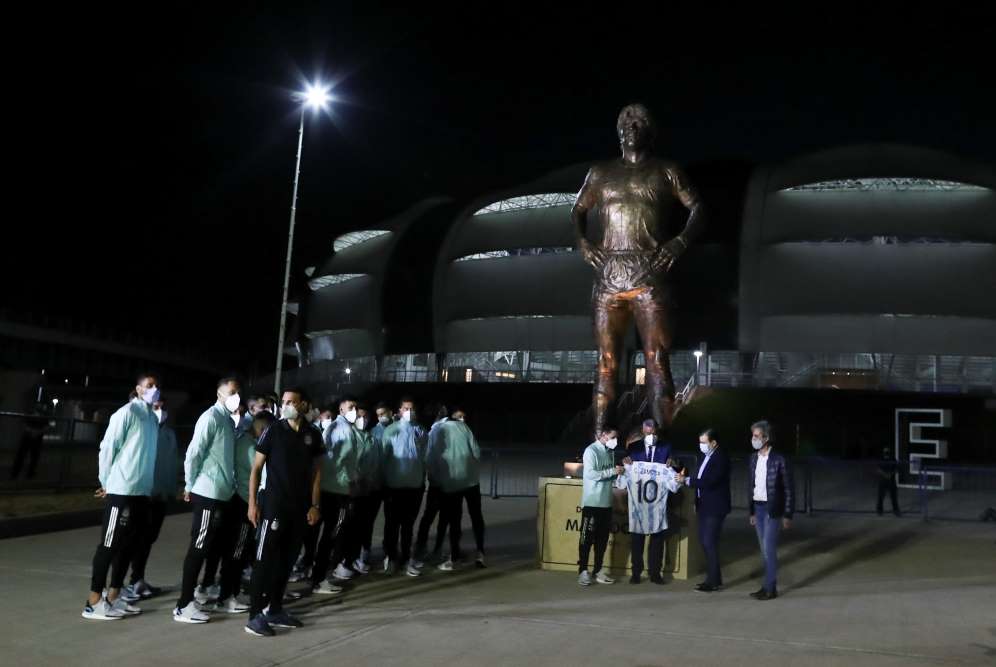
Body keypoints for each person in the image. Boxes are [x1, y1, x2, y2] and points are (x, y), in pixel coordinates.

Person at [572, 103, 705, 431]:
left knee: (657, 360)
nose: (631, 126)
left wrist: (680, 241)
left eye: (639, 121)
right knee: (605, 363)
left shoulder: (665, 170)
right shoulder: (600, 173)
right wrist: (582, 241)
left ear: (651, 132)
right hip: (608, 275)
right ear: (617, 132)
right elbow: (576, 210)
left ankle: (662, 446)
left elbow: (698, 207)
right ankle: (601, 441)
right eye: (626, 121)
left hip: (649, 274)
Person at [245, 388, 323, 637]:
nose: (286, 405)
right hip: (273, 506)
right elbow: (256, 469)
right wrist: (252, 504)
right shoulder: (273, 431)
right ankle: (255, 615)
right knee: (264, 560)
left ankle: (275, 608)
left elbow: (317, 473)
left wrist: (315, 504)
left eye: (291, 402)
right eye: (284, 401)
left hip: (299, 508)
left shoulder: (313, 434)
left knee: (286, 561)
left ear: (303, 405)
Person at [82, 373, 160, 620]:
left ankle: (114, 597)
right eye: (149, 386)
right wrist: (106, 481)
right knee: (109, 544)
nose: (154, 389)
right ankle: (93, 600)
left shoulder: (151, 418)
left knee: (129, 545)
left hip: (141, 492)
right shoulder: (126, 413)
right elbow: (108, 447)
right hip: (122, 490)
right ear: (138, 389)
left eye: (156, 386)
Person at [173, 378, 242, 623]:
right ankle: (183, 604)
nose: (236, 396)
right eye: (231, 392)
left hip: (222, 492)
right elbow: (194, 452)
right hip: (208, 492)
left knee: (209, 546)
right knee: (198, 547)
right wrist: (190, 484)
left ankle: (199, 595)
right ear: (219, 393)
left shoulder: (227, 419)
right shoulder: (211, 417)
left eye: (238, 392)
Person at [216, 410, 275, 611]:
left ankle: (232, 591)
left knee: (239, 553)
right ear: (261, 428)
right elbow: (259, 473)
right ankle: (226, 596)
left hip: (245, 502)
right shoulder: (249, 446)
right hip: (243, 503)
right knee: (236, 552)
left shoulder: (249, 443)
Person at [124, 398, 178, 600]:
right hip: (143, 493)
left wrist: (171, 490)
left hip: (161, 495)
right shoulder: (144, 430)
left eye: (163, 407)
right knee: (134, 538)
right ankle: (123, 584)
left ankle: (137, 579)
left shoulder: (169, 433)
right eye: (156, 407)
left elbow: (171, 463)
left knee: (148, 539)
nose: (160, 411)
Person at [309, 398, 362, 593]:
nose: (354, 411)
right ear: (341, 409)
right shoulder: (344, 430)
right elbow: (339, 463)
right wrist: (352, 481)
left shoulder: (335, 427)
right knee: (331, 535)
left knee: (323, 535)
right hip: (337, 490)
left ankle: (316, 574)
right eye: (351, 407)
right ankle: (319, 578)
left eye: (355, 407)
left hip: (328, 488)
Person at [617, 440, 680, 584]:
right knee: (637, 543)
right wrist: (623, 467)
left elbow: (675, 476)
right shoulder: (633, 452)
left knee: (657, 543)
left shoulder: (666, 449)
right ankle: (636, 573)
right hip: (638, 510)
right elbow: (675, 487)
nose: (651, 435)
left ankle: (655, 573)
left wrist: (675, 467)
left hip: (655, 509)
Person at [432, 408, 486, 571]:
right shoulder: (465, 428)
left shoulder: (437, 430)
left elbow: (431, 457)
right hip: (471, 481)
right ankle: (480, 553)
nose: (462, 419)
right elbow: (476, 452)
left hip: (451, 483)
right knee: (476, 516)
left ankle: (454, 557)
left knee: (454, 520)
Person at [677, 427, 731, 592]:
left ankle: (713, 581)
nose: (701, 445)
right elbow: (698, 476)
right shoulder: (705, 456)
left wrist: (686, 481)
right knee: (706, 542)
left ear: (713, 443)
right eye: (700, 442)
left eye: (704, 442)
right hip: (703, 505)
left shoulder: (720, 458)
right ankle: (714, 578)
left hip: (715, 507)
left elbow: (709, 482)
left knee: (709, 542)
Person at [381, 397, 427, 577]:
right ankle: (391, 557)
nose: (409, 411)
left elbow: (425, 455)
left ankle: (407, 558)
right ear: (399, 411)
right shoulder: (391, 431)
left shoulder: (421, 430)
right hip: (394, 486)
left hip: (414, 486)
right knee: (392, 525)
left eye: (412, 408)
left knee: (408, 526)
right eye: (406, 408)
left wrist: (422, 478)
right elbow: (384, 458)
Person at [747, 420, 793, 601]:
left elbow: (789, 488)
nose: (754, 439)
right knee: (764, 550)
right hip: (758, 508)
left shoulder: (779, 459)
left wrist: (788, 513)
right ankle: (766, 585)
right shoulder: (753, 458)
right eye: (753, 436)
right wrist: (751, 511)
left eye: (757, 436)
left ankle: (771, 588)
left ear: (766, 438)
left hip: (772, 509)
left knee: (769, 548)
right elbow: (751, 486)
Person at [578, 426, 624, 586]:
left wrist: (619, 475)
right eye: (612, 437)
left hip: (606, 503)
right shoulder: (591, 451)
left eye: (616, 437)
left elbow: (610, 477)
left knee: (602, 540)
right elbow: (590, 474)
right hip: (592, 503)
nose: (615, 441)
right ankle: (583, 571)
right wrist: (612, 471)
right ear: (603, 435)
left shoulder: (610, 452)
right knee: (586, 539)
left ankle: (598, 570)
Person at [413, 405, 450, 566]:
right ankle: (428, 549)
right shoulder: (437, 431)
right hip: (441, 483)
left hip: (439, 482)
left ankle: (425, 548)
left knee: (430, 517)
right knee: (436, 518)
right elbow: (430, 458)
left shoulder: (434, 431)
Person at [11, 403, 48, 480]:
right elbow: (24, 424)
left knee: (33, 457)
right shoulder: (30, 414)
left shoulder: (43, 416)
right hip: (28, 437)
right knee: (22, 455)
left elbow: (46, 427)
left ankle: (29, 473)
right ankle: (16, 473)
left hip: (36, 437)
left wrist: (37, 432)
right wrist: (32, 431)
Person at [876, 447, 901, 517]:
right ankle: (879, 510)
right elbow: (878, 469)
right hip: (882, 481)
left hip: (891, 481)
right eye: (885, 451)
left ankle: (896, 511)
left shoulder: (893, 459)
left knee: (894, 497)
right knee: (880, 496)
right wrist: (885, 474)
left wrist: (891, 474)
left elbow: (897, 469)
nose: (886, 452)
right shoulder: (880, 458)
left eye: (887, 451)